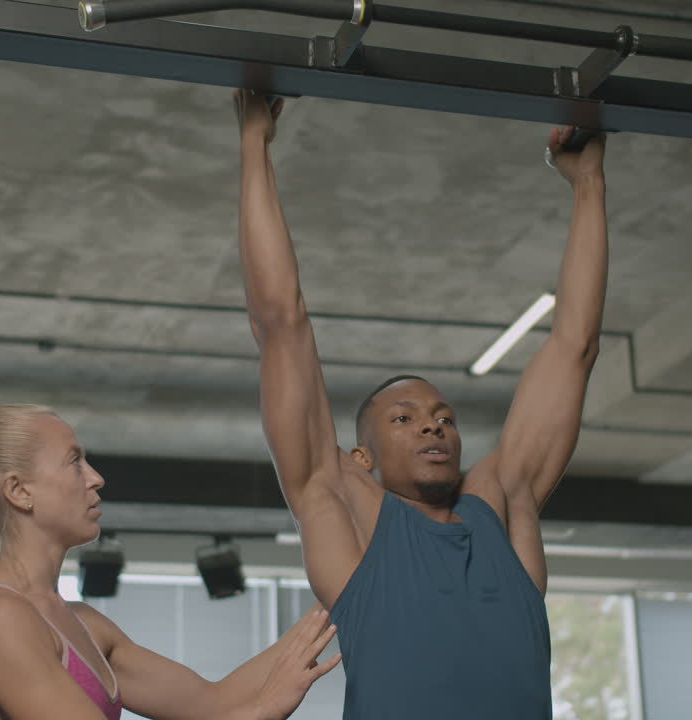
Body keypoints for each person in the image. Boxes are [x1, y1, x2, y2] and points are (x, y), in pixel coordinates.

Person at [234, 89, 609, 719]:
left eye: (442, 417)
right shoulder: (339, 502)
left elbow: (575, 344)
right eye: (402, 419)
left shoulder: (503, 500)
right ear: (362, 456)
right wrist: (253, 143)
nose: (432, 425)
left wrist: (589, 180)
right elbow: (280, 321)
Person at [0, 403, 342, 720]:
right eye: (75, 461)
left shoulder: (86, 626)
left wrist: (341, 596)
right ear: (19, 491)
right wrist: (264, 710)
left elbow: (212, 704)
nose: (96, 477)